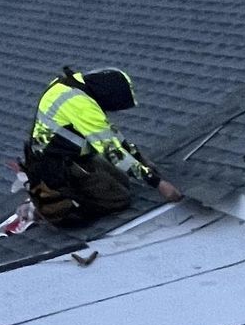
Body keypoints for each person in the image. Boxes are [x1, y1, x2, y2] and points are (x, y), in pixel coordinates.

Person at [24, 67, 183, 226]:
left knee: (122, 180)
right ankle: (61, 205)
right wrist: (158, 183)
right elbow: (112, 151)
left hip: (71, 155)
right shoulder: (80, 104)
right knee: (118, 199)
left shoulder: (75, 87)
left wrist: (140, 159)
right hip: (56, 168)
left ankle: (80, 190)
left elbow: (112, 136)